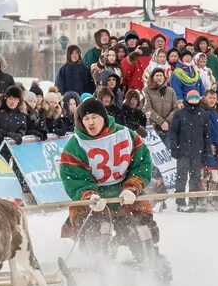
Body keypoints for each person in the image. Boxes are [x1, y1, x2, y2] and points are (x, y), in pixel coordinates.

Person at [57, 97, 155, 240]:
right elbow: (74, 177)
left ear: (103, 117)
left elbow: (142, 162)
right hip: (95, 196)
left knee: (141, 225)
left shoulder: (125, 135)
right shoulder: (75, 145)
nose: (90, 122)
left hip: (124, 190)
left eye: (94, 117)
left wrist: (132, 187)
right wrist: (89, 196)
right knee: (92, 228)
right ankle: (95, 258)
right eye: (86, 118)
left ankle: (147, 254)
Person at [166, 89, 212, 211]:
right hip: (183, 151)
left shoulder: (203, 114)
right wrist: (174, 148)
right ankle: (180, 202)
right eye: (191, 98)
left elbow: (206, 134)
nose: (193, 100)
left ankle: (193, 201)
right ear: (187, 99)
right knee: (181, 177)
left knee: (195, 177)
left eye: (195, 98)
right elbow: (174, 132)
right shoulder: (179, 114)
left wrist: (207, 150)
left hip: (198, 151)